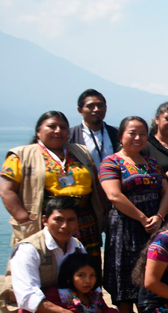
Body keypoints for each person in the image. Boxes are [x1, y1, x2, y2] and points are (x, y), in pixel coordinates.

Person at [1, 111, 104, 264]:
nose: (58, 131)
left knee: (85, 271)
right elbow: (6, 190)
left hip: (85, 222)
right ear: (38, 131)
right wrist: (24, 219)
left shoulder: (80, 152)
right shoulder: (21, 155)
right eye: (52, 126)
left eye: (63, 127)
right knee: (48, 267)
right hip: (46, 222)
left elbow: (96, 185)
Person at [2, 198, 88, 313]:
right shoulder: (28, 249)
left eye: (71, 220)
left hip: (59, 303)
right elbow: (27, 298)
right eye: (58, 219)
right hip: (23, 311)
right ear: (44, 220)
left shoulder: (78, 247)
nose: (65, 226)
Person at [99, 116, 168, 313]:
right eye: (132, 133)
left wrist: (158, 217)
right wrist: (142, 218)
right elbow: (114, 195)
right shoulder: (111, 162)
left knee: (149, 271)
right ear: (121, 136)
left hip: (153, 226)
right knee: (124, 274)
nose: (138, 137)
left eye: (142, 133)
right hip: (125, 226)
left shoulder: (152, 163)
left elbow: (165, 191)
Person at [69, 89, 118, 167]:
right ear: (80, 110)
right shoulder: (70, 136)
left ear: (105, 108)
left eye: (100, 105)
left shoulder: (117, 134)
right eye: (90, 106)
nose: (96, 109)